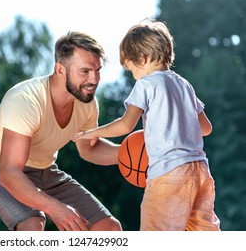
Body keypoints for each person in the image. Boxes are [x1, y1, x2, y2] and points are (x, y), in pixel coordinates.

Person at [72, 19, 221, 231]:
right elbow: (206, 128)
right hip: (200, 171)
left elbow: (125, 125)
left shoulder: (146, 84)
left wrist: (91, 133)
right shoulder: (183, 84)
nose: (134, 76)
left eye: (132, 70)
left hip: (168, 174)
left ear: (143, 58)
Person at [0, 31, 122, 231]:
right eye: (85, 71)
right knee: (34, 225)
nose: (94, 79)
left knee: (108, 230)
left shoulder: (86, 102)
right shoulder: (26, 100)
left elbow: (90, 149)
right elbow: (9, 173)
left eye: (98, 70)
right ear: (60, 69)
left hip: (45, 172)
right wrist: (56, 208)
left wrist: (133, 152)